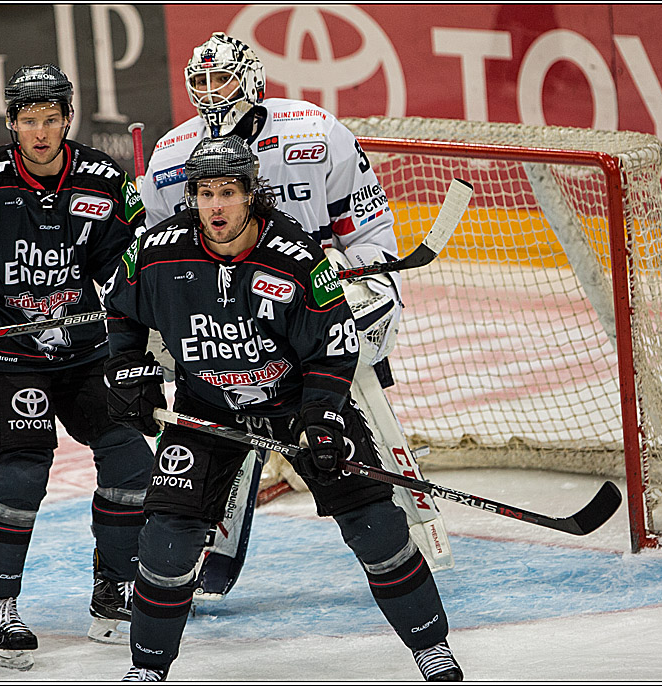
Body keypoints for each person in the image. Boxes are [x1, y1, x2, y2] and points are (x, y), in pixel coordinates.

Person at [104, 134, 462, 681]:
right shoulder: (156, 251)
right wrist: (131, 371)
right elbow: (120, 309)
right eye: (204, 193)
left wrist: (321, 417)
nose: (215, 205)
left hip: (295, 403)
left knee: (374, 523)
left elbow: (336, 343)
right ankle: (146, 670)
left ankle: (431, 648)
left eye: (227, 192)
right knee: (167, 540)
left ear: (252, 194)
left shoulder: (294, 257)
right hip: (208, 407)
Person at [139, 31, 453, 600]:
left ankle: (395, 523)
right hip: (223, 316)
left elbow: (371, 234)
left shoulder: (314, 130)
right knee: (214, 394)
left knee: (329, 372)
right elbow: (155, 256)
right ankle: (215, 531)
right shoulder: (170, 154)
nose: (212, 94)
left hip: (307, 302)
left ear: (253, 79)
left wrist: (350, 282)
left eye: (223, 79)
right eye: (201, 82)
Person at [0, 64, 154, 671]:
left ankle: (114, 590)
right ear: (11, 123)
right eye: (27, 120)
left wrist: (134, 338)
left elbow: (135, 263)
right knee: (22, 472)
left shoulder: (102, 177)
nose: (40, 133)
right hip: (9, 359)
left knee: (130, 459)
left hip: (84, 348)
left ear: (68, 118)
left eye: (50, 119)